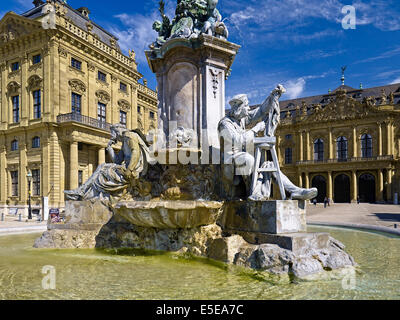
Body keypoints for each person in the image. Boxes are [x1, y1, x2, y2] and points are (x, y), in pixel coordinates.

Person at [218, 85, 318, 201]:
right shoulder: (225, 124)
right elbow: (238, 141)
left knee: (270, 166)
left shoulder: (241, 120)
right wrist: (255, 129)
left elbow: (260, 111)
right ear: (239, 108)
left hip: (243, 161)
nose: (249, 108)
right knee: (248, 159)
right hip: (230, 163)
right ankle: (254, 192)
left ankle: (296, 191)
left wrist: (273, 97)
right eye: (246, 106)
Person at [64, 124, 151, 201]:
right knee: (102, 167)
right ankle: (82, 191)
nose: (112, 135)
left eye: (112, 132)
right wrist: (109, 148)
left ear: (117, 131)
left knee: (102, 168)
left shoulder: (129, 136)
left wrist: (129, 169)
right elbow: (117, 160)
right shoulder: (124, 141)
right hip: (127, 167)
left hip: (134, 169)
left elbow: (135, 152)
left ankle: (81, 191)